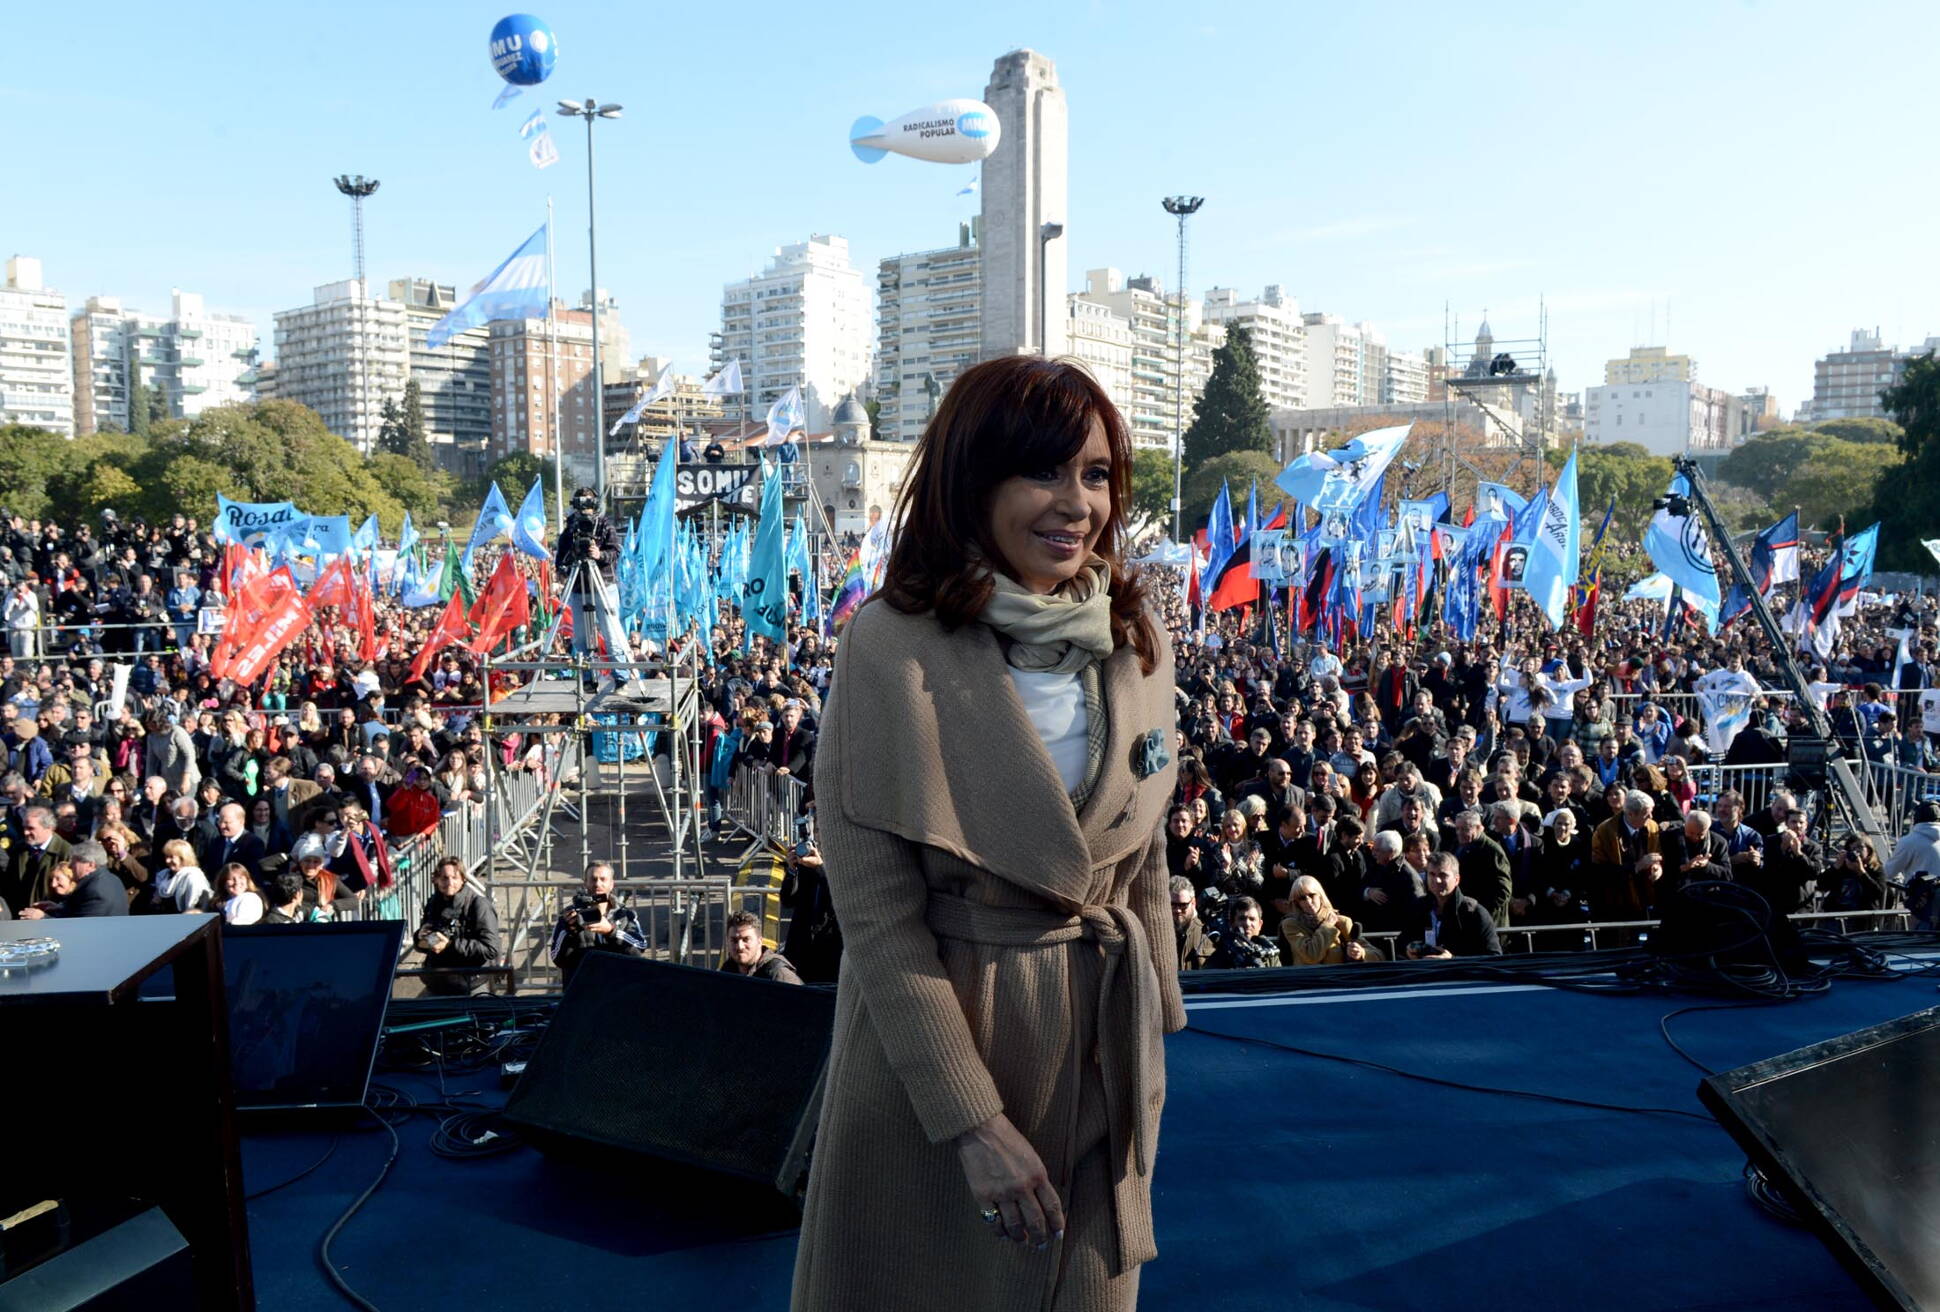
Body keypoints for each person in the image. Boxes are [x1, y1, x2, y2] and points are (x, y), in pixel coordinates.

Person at [793, 357, 1179, 1311]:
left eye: (1096, 475)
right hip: (941, 1056)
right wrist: (970, 1123)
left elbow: (1142, 853)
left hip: (1100, 1052)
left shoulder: (1139, 637)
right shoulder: (889, 645)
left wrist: (1157, 1032)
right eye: (1044, 472)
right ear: (975, 481)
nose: (1076, 503)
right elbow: (879, 920)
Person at [548, 860, 647, 987]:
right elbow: (558, 959)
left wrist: (611, 931)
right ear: (586, 883)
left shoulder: (625, 915)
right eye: (593, 879)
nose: (597, 884)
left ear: (611, 884)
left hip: (618, 988)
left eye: (603, 879)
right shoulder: (569, 916)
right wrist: (570, 932)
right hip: (582, 990)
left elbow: (640, 947)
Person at [415, 858, 502, 995]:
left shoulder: (479, 905)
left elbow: (490, 949)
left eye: (454, 878)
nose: (449, 883)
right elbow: (428, 944)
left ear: (463, 879)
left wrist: (450, 945)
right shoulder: (433, 903)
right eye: (444, 878)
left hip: (470, 984)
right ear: (436, 880)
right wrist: (420, 938)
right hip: (437, 982)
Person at [1402, 850, 1502, 958]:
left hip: (1460, 973)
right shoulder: (1419, 908)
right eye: (1432, 874)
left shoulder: (1474, 913)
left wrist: (1452, 959)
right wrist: (1408, 950)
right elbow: (1401, 944)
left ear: (1457, 879)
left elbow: (1494, 956)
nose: (1437, 880)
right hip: (1423, 973)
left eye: (1443, 875)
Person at [1281, 875, 1374, 965]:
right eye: (1302, 898)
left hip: (1337, 979)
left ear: (1320, 895)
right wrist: (1327, 926)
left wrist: (1361, 953)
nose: (1308, 901)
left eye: (1312, 895)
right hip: (1307, 979)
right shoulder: (1291, 924)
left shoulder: (1341, 922)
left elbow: (1377, 955)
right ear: (1297, 903)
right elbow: (1311, 956)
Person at [18, 843, 126, 919]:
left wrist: (42, 917)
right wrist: (57, 908)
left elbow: (81, 926)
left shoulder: (96, 890)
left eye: (74, 862)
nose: (70, 866)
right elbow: (80, 910)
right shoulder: (111, 879)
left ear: (90, 865)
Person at [721, 908, 804, 982]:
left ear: (760, 941)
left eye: (746, 939)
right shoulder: (727, 970)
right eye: (734, 940)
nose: (739, 946)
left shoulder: (778, 975)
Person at [1169, 876, 1217, 970]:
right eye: (1173, 905)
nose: (1178, 910)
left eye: (1183, 905)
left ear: (1193, 903)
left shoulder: (1207, 934)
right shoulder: (1158, 936)